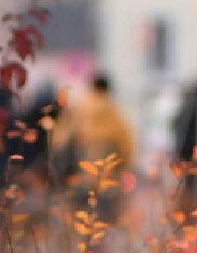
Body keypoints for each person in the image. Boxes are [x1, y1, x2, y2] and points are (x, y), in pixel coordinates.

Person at [52, 73, 135, 222]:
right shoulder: (114, 113)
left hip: (78, 178)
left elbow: (59, 141)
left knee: (78, 220)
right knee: (101, 223)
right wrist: (122, 168)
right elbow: (127, 147)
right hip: (105, 180)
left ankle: (79, 243)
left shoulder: (77, 109)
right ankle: (97, 244)